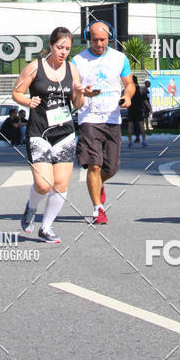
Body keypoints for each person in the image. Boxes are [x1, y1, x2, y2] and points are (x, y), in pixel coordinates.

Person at [12, 27, 85, 244]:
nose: (63, 52)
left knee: (61, 184)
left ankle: (46, 227)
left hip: (64, 133)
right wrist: (28, 101)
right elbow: (16, 92)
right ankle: (31, 207)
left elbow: (78, 104)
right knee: (44, 184)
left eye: (67, 49)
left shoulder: (72, 69)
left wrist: (81, 93)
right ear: (51, 46)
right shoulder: (35, 67)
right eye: (60, 47)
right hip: (39, 132)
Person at [73, 21, 134, 224]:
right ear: (87, 38)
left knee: (112, 168)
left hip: (112, 118)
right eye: (94, 40)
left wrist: (127, 96)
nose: (99, 44)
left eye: (103, 39)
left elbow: (129, 84)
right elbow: (74, 91)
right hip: (89, 118)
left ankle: (98, 184)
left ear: (110, 38)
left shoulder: (120, 58)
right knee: (94, 166)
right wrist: (83, 93)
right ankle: (97, 209)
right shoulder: (77, 61)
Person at [127, 75, 146, 146]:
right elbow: (144, 100)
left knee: (130, 125)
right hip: (139, 109)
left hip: (131, 109)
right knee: (141, 126)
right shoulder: (140, 89)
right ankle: (143, 141)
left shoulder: (128, 89)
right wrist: (149, 107)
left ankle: (130, 141)